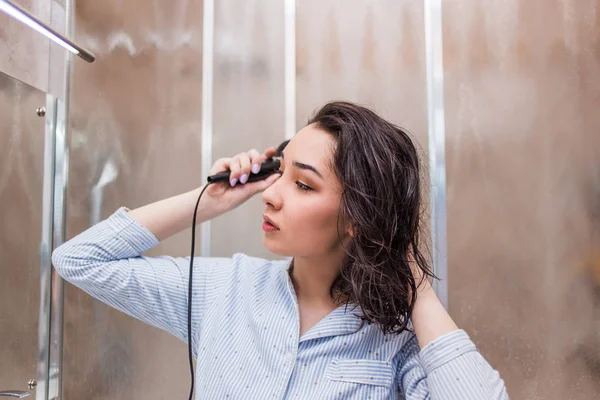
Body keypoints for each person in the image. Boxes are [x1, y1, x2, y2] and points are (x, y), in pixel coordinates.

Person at [52, 101, 508, 399]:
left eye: (303, 184)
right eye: (280, 173)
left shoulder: (396, 337)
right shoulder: (225, 290)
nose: (271, 194)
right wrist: (205, 202)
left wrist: (417, 287)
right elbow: (79, 260)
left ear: (357, 218)